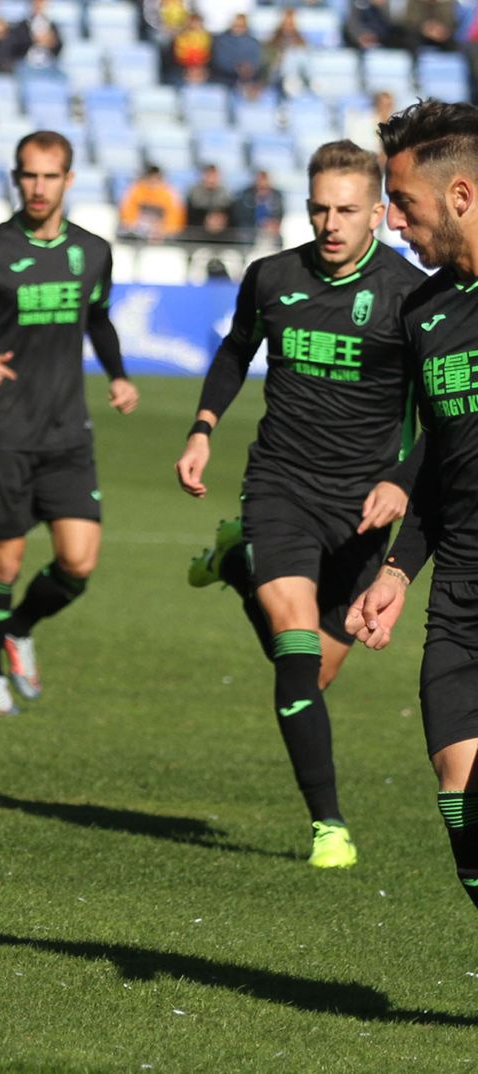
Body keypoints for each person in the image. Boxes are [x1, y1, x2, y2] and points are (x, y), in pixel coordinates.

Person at [174, 140, 427, 869]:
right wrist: (202, 430)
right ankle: (329, 825)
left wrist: (403, 482)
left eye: (347, 210)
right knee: (294, 653)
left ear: (377, 212)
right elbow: (234, 351)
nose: (330, 223)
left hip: (363, 507)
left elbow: (441, 419)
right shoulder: (271, 277)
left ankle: (234, 562)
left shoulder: (411, 296)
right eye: (319, 208)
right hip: (280, 484)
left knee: (313, 674)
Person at [0, 130, 138, 715]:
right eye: (28, 175)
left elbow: (98, 318)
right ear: (16, 179)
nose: (38, 187)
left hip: (68, 431)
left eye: (50, 176)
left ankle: (18, 627)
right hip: (3, 432)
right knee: (5, 562)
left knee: (79, 562)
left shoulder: (93, 252)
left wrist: (117, 375)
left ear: (69, 181)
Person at [348, 98, 478, 916]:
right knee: (460, 791)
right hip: (461, 588)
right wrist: (398, 566)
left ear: (461, 195)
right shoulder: (427, 315)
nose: (392, 222)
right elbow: (441, 464)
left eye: (406, 204)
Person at [119, 164, 187, 241]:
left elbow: (175, 218)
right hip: (139, 232)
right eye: (150, 177)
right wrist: (136, 228)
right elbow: (128, 216)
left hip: (164, 234)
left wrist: (163, 230)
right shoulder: (135, 190)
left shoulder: (170, 193)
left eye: (156, 178)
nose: (153, 181)